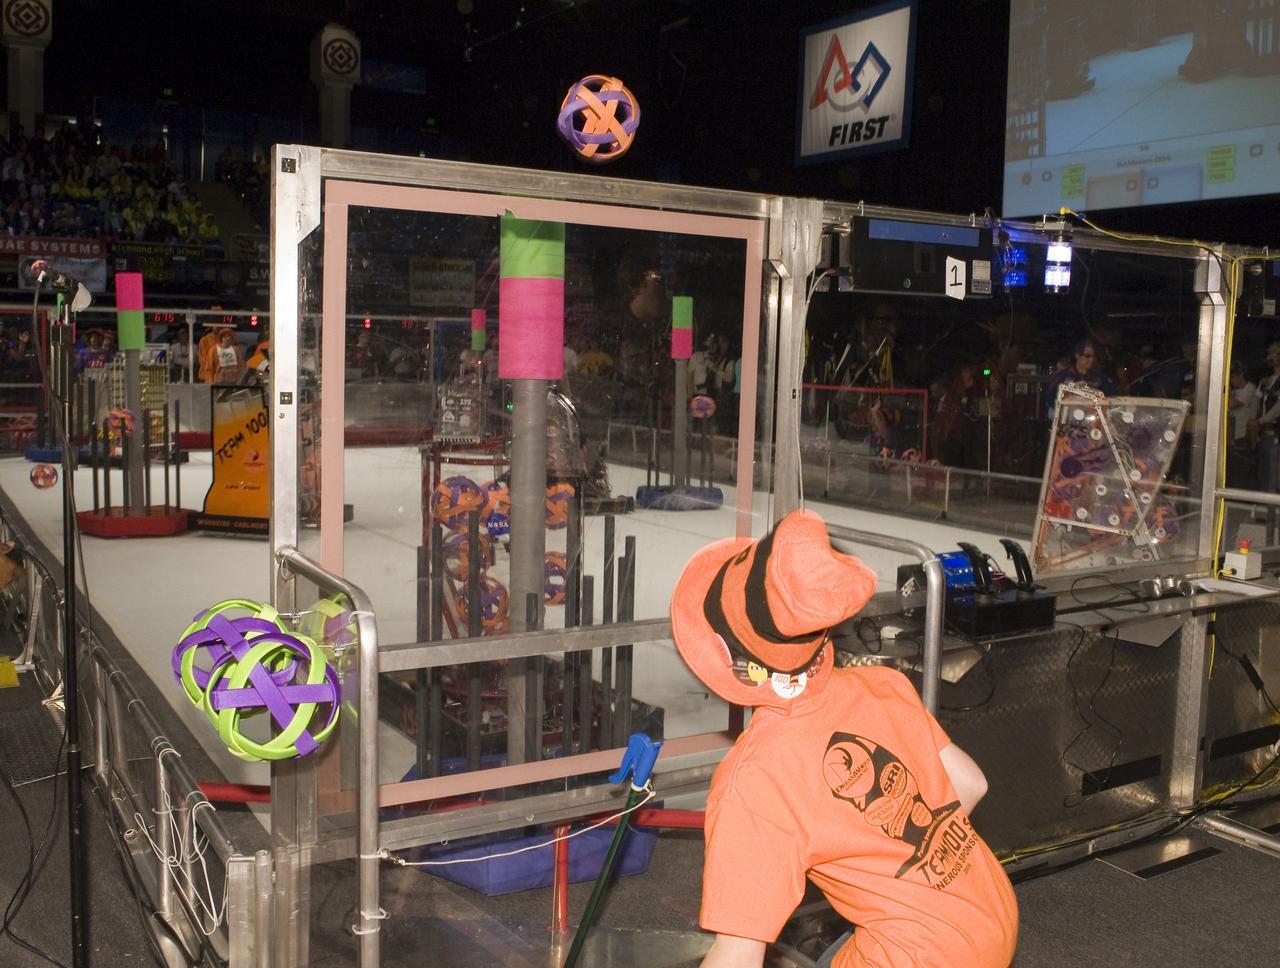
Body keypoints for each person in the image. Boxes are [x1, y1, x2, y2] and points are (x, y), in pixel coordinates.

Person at [672, 510, 1017, 968]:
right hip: (988, 916)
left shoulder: (755, 780)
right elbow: (971, 783)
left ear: (724, 661)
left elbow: (738, 956)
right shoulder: (882, 685)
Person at [1042, 339, 1114, 412]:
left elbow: (1110, 397)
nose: (1092, 360)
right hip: (1067, 416)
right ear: (1077, 355)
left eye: (1094, 356)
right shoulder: (1063, 376)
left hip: (1091, 417)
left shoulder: (1099, 377)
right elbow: (1050, 398)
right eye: (1087, 356)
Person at [1250, 342, 1280, 493]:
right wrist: (1253, 421)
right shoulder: (1266, 380)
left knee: (1273, 475)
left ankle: (1271, 513)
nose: (1270, 357)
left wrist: (1259, 421)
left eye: (1274, 353)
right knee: (1263, 472)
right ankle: (1262, 510)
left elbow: (1277, 409)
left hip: (1275, 433)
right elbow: (1256, 400)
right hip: (1262, 433)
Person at [1227, 360, 1259, 490]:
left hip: (1243, 436)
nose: (1231, 380)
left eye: (1232, 376)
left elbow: (1231, 404)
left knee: (1241, 473)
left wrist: (1226, 390)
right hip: (1231, 436)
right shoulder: (1235, 391)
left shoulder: (1249, 388)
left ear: (1241, 374)